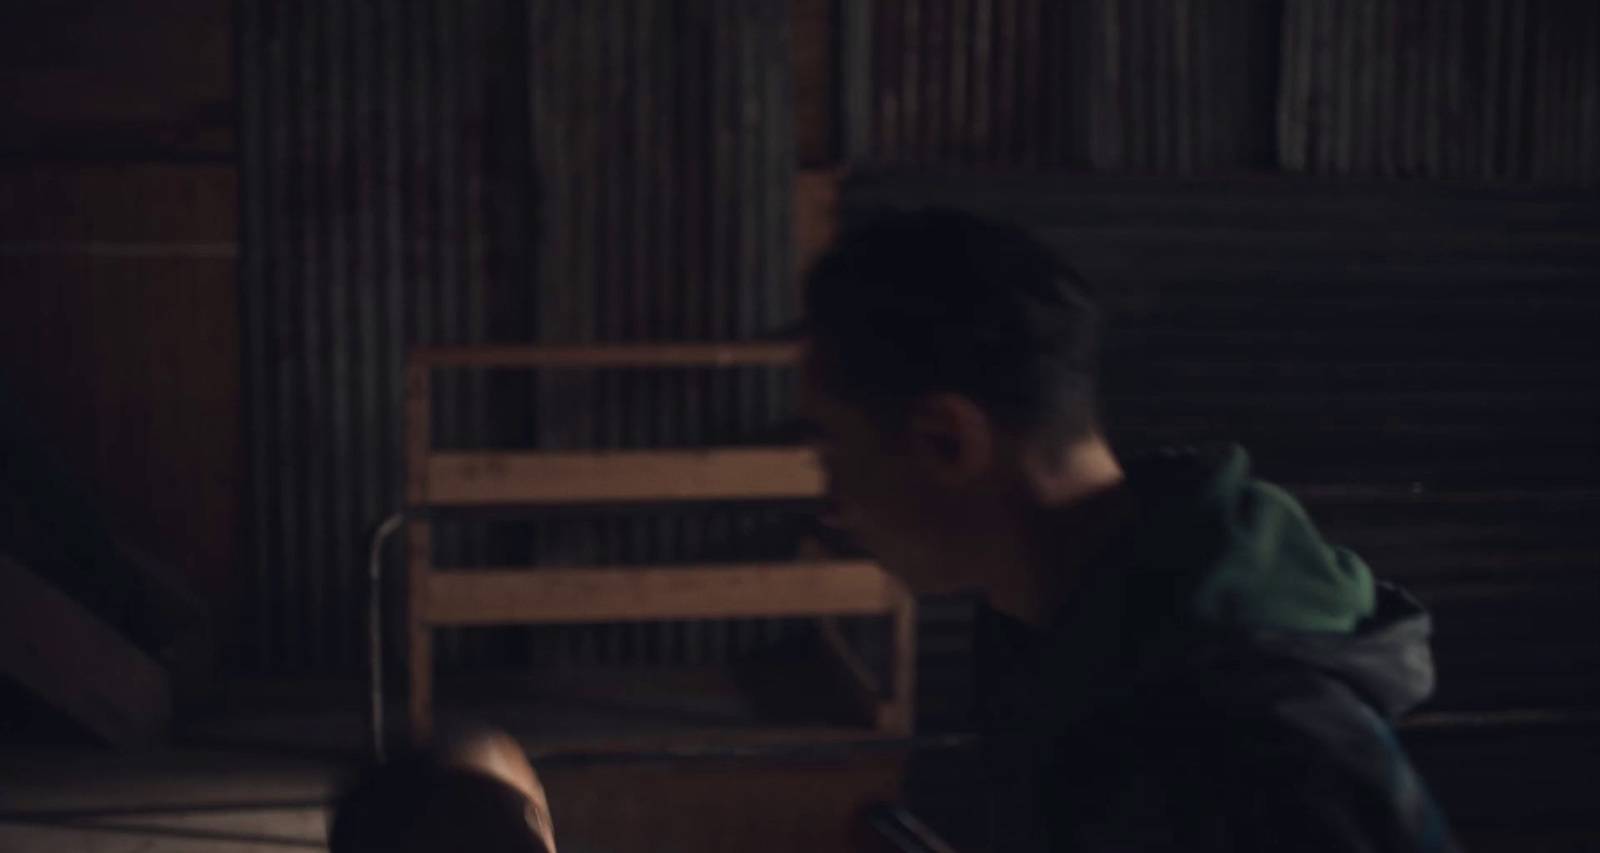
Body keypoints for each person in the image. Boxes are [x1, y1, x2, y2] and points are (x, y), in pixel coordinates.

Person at [796, 209, 1457, 852]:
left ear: (946, 440)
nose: (830, 504)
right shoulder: (1045, 622)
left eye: (834, 455)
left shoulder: (1255, 739)